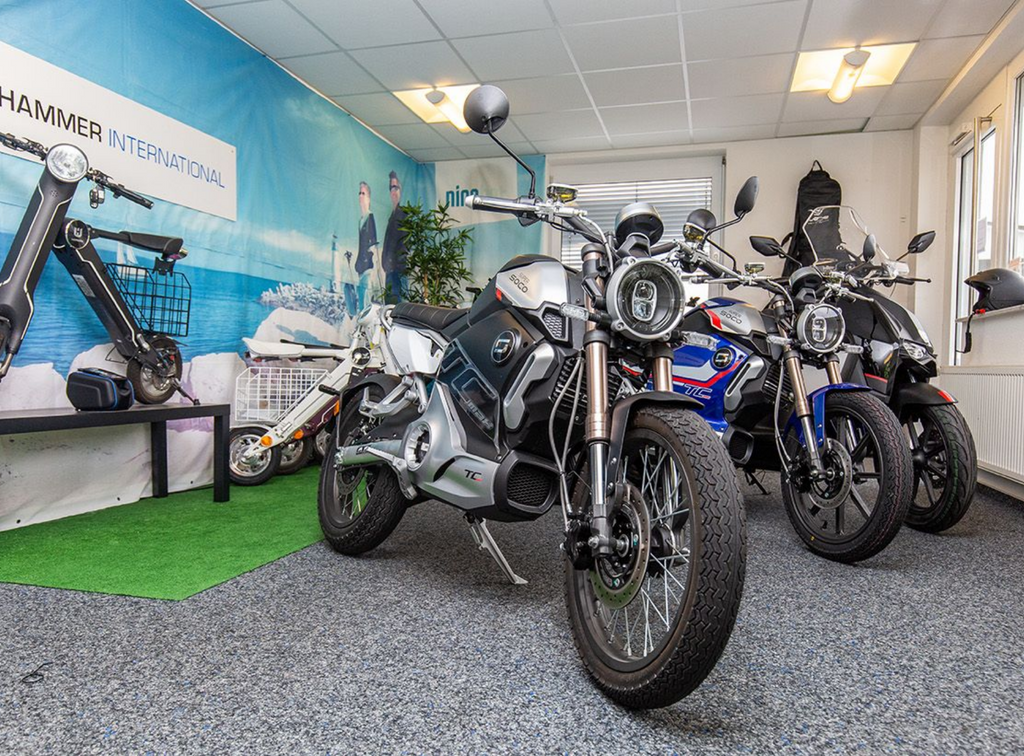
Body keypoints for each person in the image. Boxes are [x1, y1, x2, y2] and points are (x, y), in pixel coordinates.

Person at [382, 170, 407, 303]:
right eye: (391, 187)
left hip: (398, 270)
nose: (393, 191)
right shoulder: (392, 216)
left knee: (399, 304)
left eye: (396, 187)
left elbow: (405, 243)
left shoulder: (403, 215)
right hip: (390, 269)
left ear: (400, 190)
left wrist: (397, 264)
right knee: (390, 306)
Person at [354, 181, 380, 310]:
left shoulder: (370, 218)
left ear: (368, 198)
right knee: (361, 301)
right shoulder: (361, 220)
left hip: (367, 268)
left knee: (364, 303)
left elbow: (373, 246)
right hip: (360, 267)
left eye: (363, 193)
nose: (360, 196)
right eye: (359, 193)